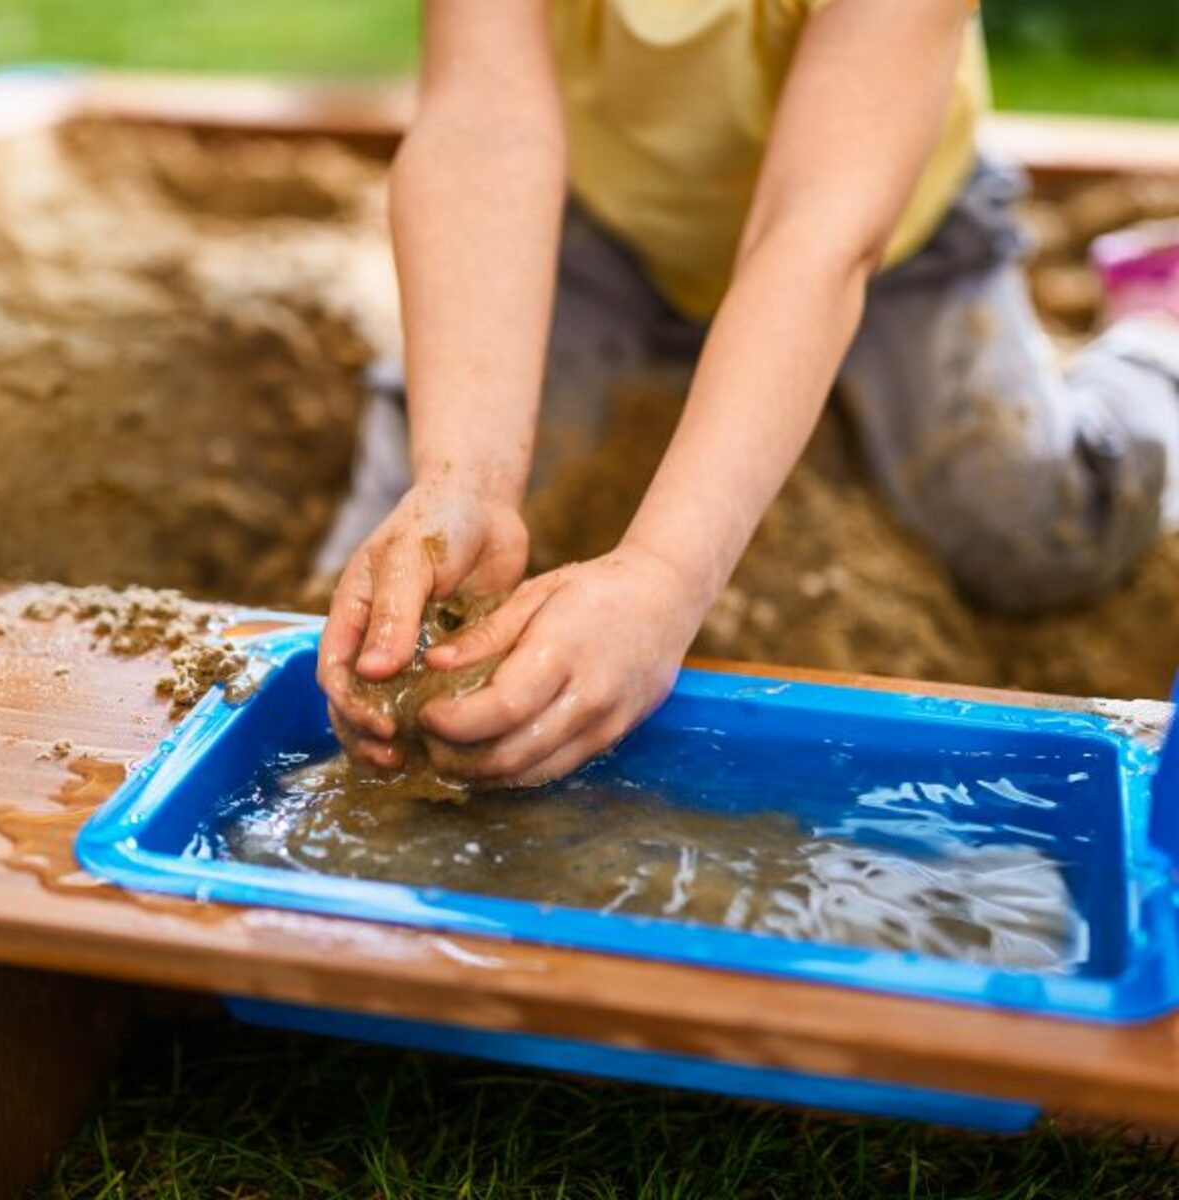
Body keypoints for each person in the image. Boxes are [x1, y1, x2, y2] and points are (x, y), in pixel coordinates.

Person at [317, 0, 1179, 786]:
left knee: (1031, 528)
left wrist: (663, 576)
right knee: (401, 558)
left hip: (887, 229)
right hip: (601, 214)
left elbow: (814, 231)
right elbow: (484, 128)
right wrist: (465, 472)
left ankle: (1154, 344)